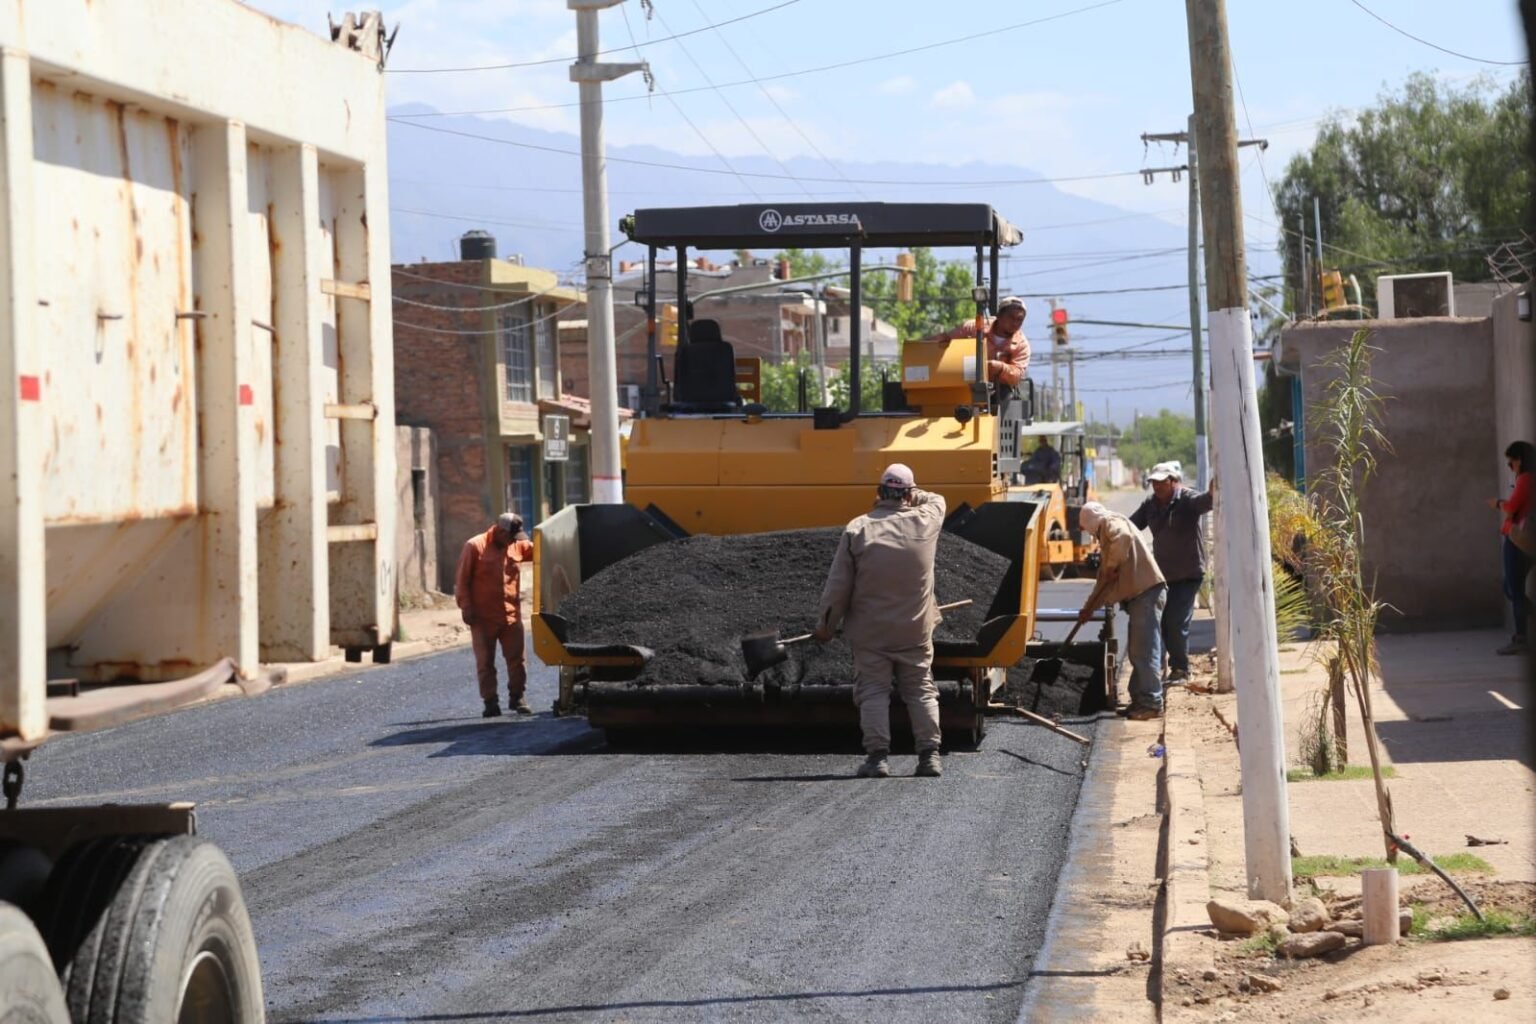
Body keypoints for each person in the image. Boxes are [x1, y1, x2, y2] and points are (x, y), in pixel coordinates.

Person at [814, 464, 947, 779]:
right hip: (914, 630)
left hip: (871, 634)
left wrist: (826, 627)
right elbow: (937, 499)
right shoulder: (926, 521)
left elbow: (838, 587)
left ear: (878, 492)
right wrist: (915, 493)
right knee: (921, 690)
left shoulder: (858, 529)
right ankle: (929, 757)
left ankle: (877, 759)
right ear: (909, 495)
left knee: (873, 691)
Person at [1078, 501, 1167, 720]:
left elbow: (1123, 539)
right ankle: (1139, 700)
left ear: (1090, 523)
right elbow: (1102, 583)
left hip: (1146, 593)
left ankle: (1151, 703)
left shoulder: (1111, 523)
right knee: (1138, 651)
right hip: (1140, 597)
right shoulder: (1106, 536)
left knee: (1144, 652)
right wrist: (1088, 609)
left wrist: (1110, 567)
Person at [1130, 462, 1216, 683]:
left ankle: (1181, 669)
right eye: (1154, 482)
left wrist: (1214, 490)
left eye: (1162, 482)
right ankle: (1170, 666)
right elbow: (1131, 526)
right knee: (1165, 622)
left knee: (1176, 622)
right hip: (1164, 575)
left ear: (1173, 481)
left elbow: (1204, 502)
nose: (1157, 486)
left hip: (1188, 573)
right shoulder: (1150, 505)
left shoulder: (1186, 499)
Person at [455, 512, 535, 717]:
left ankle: (517, 697)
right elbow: (462, 580)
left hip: (511, 616)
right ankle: (490, 702)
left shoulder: (517, 545)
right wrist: (466, 607)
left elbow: (543, 552)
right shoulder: (474, 546)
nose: (512, 542)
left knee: (518, 660)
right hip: (482, 618)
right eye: (510, 537)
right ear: (499, 532)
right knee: (485, 662)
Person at [922, 294, 1030, 389]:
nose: (1015, 323)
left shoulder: (1022, 345)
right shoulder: (975, 327)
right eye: (1011, 317)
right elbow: (947, 339)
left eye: (1019, 319)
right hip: (965, 383)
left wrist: (1001, 368)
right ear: (999, 316)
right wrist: (920, 346)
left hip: (999, 391)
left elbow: (1017, 374)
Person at [1488, 440, 1533, 655]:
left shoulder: (1526, 479)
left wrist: (1497, 503)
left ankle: (1521, 638)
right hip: (1525, 540)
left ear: (1520, 460)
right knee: (1512, 588)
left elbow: (1512, 507)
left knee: (1513, 588)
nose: (1510, 467)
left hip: (1517, 539)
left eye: (1511, 463)